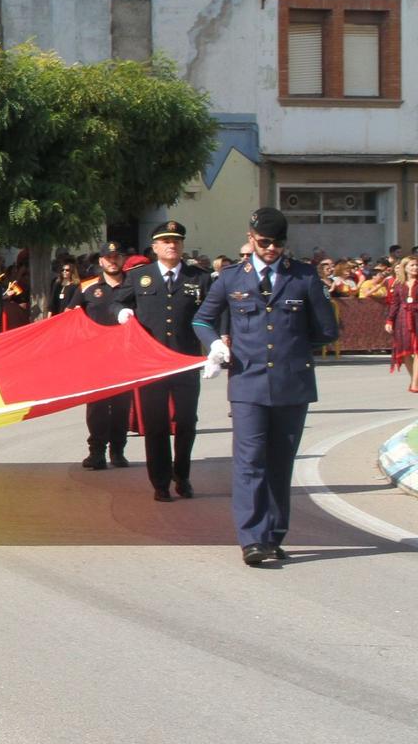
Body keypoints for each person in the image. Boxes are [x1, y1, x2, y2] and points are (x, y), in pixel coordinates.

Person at [192, 207, 340, 567]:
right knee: (249, 462)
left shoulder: (303, 277)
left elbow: (327, 331)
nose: (272, 249)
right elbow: (202, 319)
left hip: (292, 384)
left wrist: (295, 343)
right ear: (251, 237)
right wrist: (214, 344)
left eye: (278, 244)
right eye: (264, 242)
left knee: (280, 463)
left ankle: (273, 536)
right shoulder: (230, 278)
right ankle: (253, 538)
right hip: (248, 383)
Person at [119, 221, 212, 502]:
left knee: (186, 422)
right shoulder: (140, 276)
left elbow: (214, 312)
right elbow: (118, 302)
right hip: (152, 363)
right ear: (155, 247)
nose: (172, 245)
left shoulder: (200, 277)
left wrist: (216, 346)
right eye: (166, 241)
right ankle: (160, 482)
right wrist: (121, 311)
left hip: (186, 360)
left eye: (176, 240)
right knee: (156, 425)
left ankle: (181, 475)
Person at [75, 242, 135, 471]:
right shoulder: (87, 287)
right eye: (108, 257)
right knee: (97, 406)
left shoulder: (134, 285)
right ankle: (96, 452)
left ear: (122, 260)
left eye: (116, 257)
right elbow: (71, 316)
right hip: (95, 356)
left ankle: (118, 450)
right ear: (100, 261)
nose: (112, 261)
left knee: (121, 405)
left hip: (124, 354)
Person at [384, 257, 418, 393]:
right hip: (402, 319)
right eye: (412, 265)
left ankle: (415, 383)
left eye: (417, 265)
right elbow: (395, 304)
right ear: (405, 267)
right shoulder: (399, 284)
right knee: (405, 352)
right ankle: (413, 379)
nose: (415, 268)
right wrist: (389, 320)